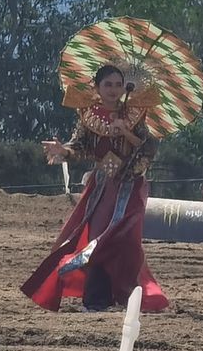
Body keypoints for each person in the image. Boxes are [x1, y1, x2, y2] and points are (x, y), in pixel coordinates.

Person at [22, 65, 168, 313]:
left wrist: (126, 132)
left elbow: (149, 148)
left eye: (117, 84)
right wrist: (63, 151)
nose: (113, 90)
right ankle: (97, 299)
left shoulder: (135, 114)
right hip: (103, 188)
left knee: (127, 242)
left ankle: (128, 295)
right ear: (97, 88)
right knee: (97, 240)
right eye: (107, 85)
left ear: (124, 87)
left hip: (131, 188)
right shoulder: (88, 117)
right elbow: (81, 149)